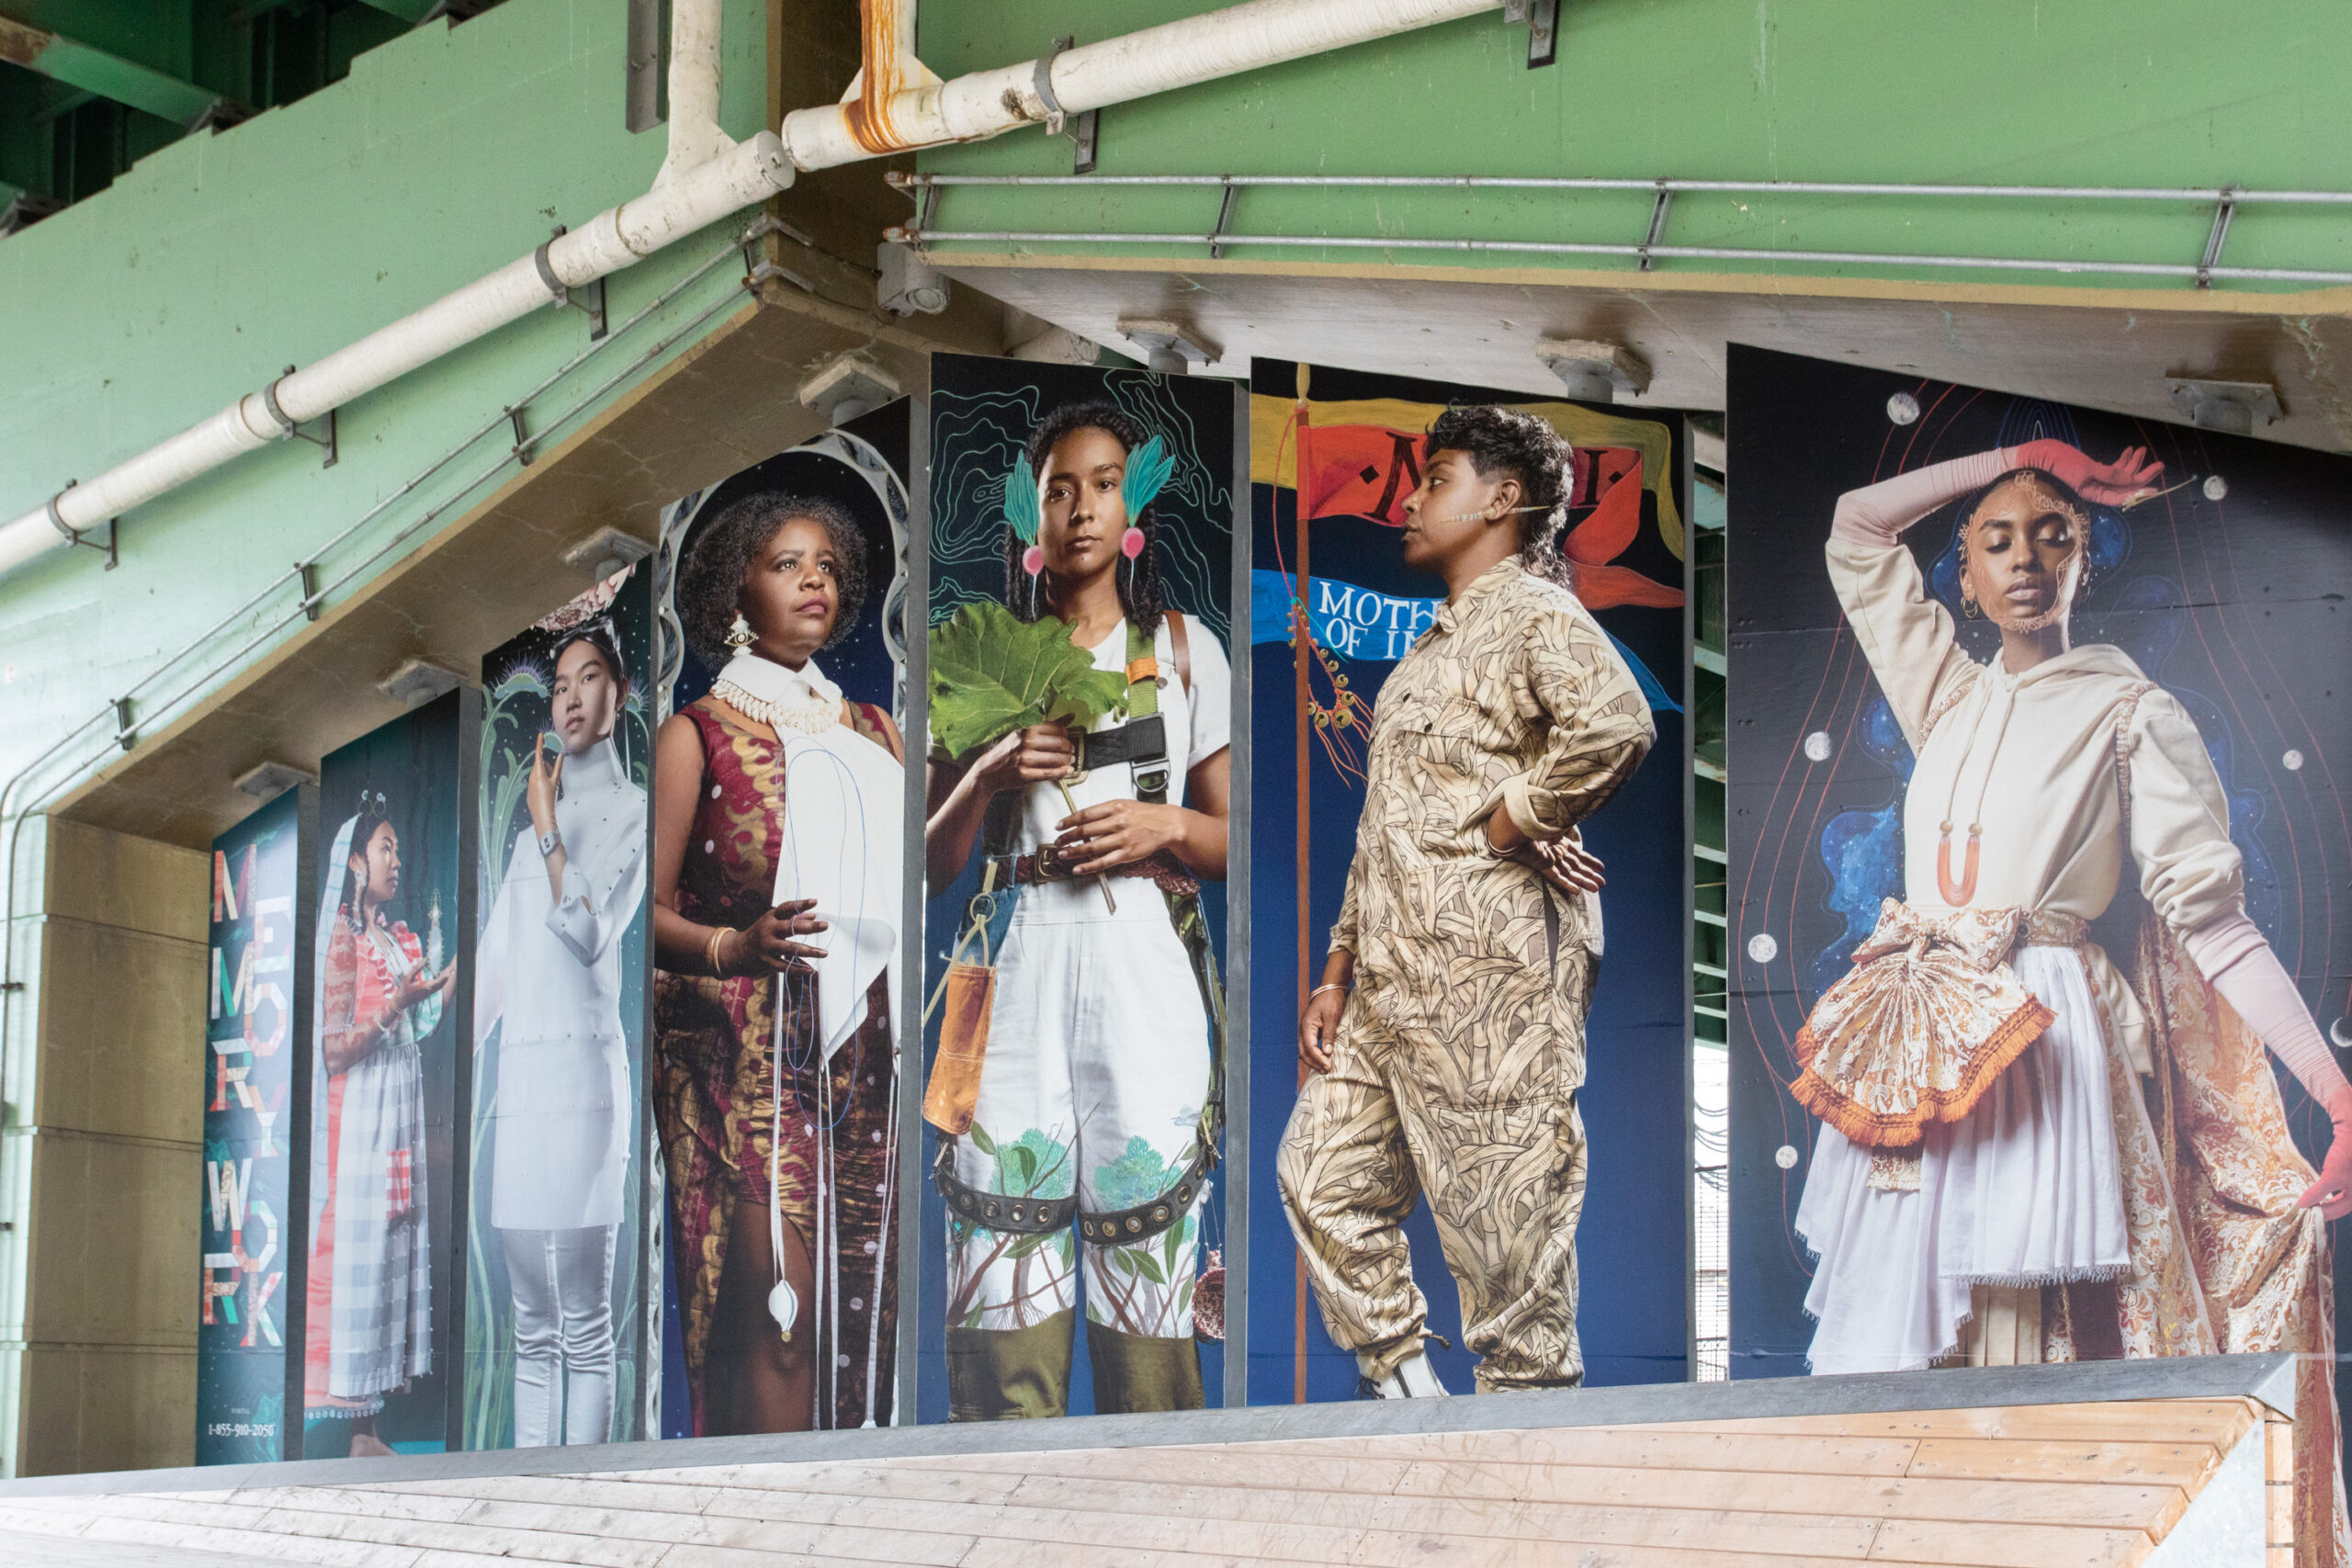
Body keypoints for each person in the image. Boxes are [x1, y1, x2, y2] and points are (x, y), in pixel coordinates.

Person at [1790, 438, 2350, 1562]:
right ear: (1964, 574)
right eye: (1997, 540)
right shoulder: (1943, 693)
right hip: (1915, 1022)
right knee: (1917, 1320)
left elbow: (2211, 919)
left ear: (2085, 562)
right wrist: (2027, 456)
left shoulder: (2131, 711)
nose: (2026, 557)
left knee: (2038, 1318)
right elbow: (1855, 523)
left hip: (2044, 1020)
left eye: (2055, 534)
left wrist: (2337, 1097)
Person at [1278, 404, 1651, 1399]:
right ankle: (1410, 1405)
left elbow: (1616, 725)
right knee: (1319, 1182)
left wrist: (1512, 819)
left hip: (1490, 994)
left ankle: (1525, 1496)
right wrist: (1334, 970)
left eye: (1435, 478)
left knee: (1506, 1255)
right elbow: (1382, 829)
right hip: (1385, 992)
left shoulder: (1534, 615)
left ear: (1502, 499)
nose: (1410, 496)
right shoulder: (1422, 661)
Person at [923, 399, 1230, 1419]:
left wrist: (1164, 829)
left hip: (1142, 954)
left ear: (1129, 507)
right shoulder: (972, 656)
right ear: (1030, 513)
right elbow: (929, 867)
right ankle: (1004, 1506)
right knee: (1002, 1244)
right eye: (1058, 488)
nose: (1081, 508)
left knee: (1146, 1242)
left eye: (1102, 485)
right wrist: (988, 773)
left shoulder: (1184, 649)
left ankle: (1155, 1509)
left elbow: (1236, 843)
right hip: (1017, 955)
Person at [650, 491, 902, 1435]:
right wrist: (733, 947)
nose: (814, 582)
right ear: (736, 594)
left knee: (855, 1323)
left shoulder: (873, 730)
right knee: (775, 1315)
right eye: (788, 564)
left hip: (862, 1063)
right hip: (739, 1067)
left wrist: (989, 778)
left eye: (828, 567)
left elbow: (919, 877)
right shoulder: (699, 734)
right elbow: (647, 914)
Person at [473, 621, 648, 1447]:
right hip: (523, 1091)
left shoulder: (635, 814)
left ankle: (582, 1508)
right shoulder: (524, 835)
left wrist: (547, 825)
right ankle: (522, 1506)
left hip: (582, 1090)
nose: (571, 696)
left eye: (589, 679)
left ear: (619, 695)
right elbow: (494, 975)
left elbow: (585, 930)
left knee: (583, 1321)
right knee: (528, 1324)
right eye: (560, 684)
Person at [307, 798, 454, 1455]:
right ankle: (355, 1429)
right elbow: (333, 1048)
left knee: (395, 1248)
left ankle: (371, 1431)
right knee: (362, 1257)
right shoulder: (346, 939)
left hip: (400, 1111)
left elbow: (418, 1027)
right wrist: (395, 1004)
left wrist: (447, 982)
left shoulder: (399, 938)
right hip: (362, 1116)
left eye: (399, 847)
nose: (398, 859)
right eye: (386, 848)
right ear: (357, 861)